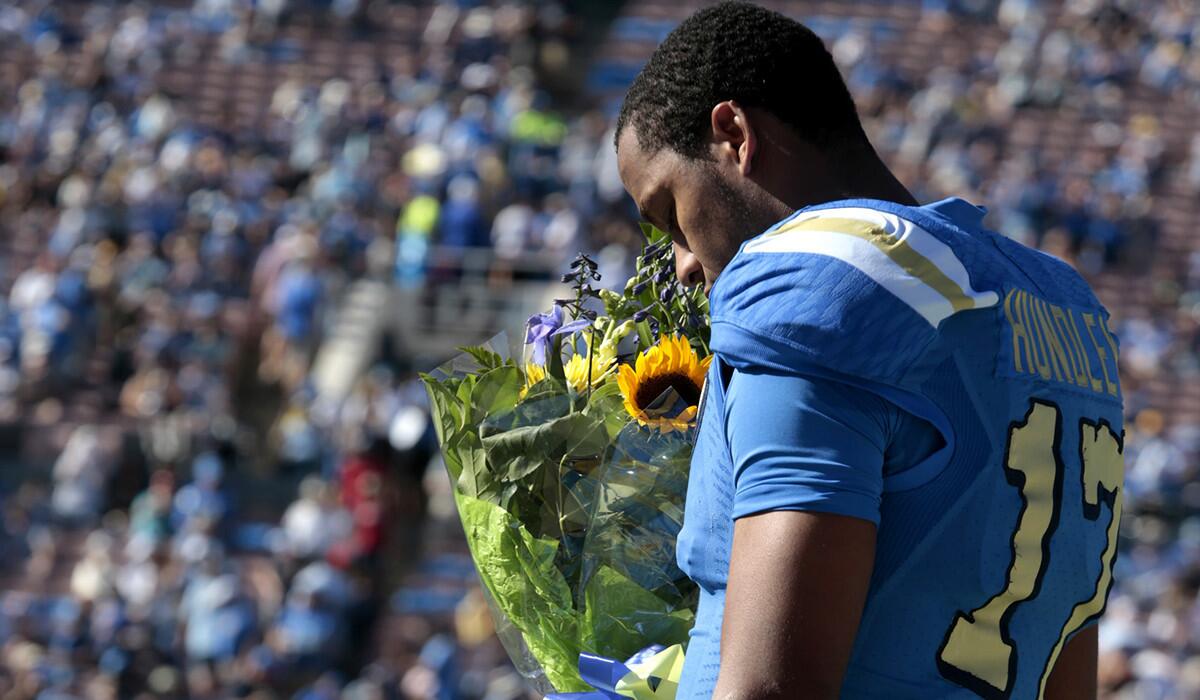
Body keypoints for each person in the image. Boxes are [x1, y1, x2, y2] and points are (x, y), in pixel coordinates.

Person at [613, 3, 1125, 698]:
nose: (680, 263)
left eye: (668, 212)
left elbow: (772, 687)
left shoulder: (813, 275)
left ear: (734, 134)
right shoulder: (1064, 304)